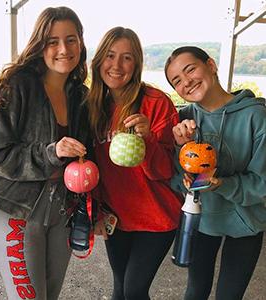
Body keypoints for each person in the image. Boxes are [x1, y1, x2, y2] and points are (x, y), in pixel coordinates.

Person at [0, 6, 90, 300]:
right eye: (53, 41)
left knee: (48, 295)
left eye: (71, 39)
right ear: (40, 44)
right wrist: (51, 152)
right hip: (18, 211)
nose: (63, 49)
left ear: (81, 42)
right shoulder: (18, 86)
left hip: (62, 211)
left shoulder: (79, 95)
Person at [87, 27, 182, 300]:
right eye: (110, 55)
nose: (116, 65)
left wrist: (148, 140)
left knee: (134, 290)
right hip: (116, 216)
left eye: (126, 58)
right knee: (120, 287)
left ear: (137, 64)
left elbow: (166, 170)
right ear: (98, 60)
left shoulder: (155, 103)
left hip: (157, 216)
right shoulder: (92, 105)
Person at [165, 46, 266, 300]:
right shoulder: (183, 120)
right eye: (177, 81)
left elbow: (262, 183)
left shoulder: (256, 116)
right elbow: (176, 179)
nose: (186, 82)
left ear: (211, 65)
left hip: (246, 223)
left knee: (229, 295)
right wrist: (180, 151)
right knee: (195, 291)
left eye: (190, 69)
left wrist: (222, 184)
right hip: (202, 220)